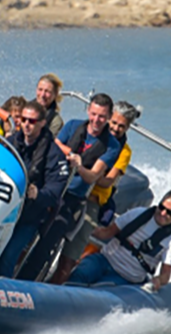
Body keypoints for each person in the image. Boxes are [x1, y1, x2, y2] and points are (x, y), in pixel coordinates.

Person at [16, 92, 121, 282]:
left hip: (72, 197)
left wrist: (79, 165)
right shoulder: (72, 126)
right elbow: (53, 144)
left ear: (109, 117)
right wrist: (70, 153)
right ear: (88, 110)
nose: (97, 120)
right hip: (49, 186)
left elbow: (92, 176)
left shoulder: (112, 146)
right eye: (94, 114)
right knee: (24, 228)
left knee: (48, 239)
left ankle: (26, 281)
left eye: (102, 116)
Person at [50, 100, 138, 281]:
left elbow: (107, 181)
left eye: (122, 126)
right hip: (68, 190)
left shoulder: (122, 150)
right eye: (113, 122)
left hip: (92, 199)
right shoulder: (85, 131)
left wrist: (92, 171)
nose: (115, 128)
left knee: (71, 251)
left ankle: (59, 283)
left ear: (128, 128)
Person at [0, 100, 70, 278]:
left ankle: (1, 288)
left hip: (29, 215)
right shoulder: (10, 142)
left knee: (8, 255)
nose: (26, 124)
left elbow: (55, 190)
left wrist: (38, 194)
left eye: (32, 121)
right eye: (24, 120)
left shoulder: (53, 153)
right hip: (2, 207)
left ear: (42, 123)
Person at [67, 190, 171, 290]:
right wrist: (83, 227)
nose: (163, 213)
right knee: (81, 273)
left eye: (169, 212)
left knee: (100, 288)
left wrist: (158, 280)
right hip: (105, 259)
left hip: (127, 277)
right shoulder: (137, 214)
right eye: (161, 207)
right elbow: (106, 233)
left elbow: (165, 275)